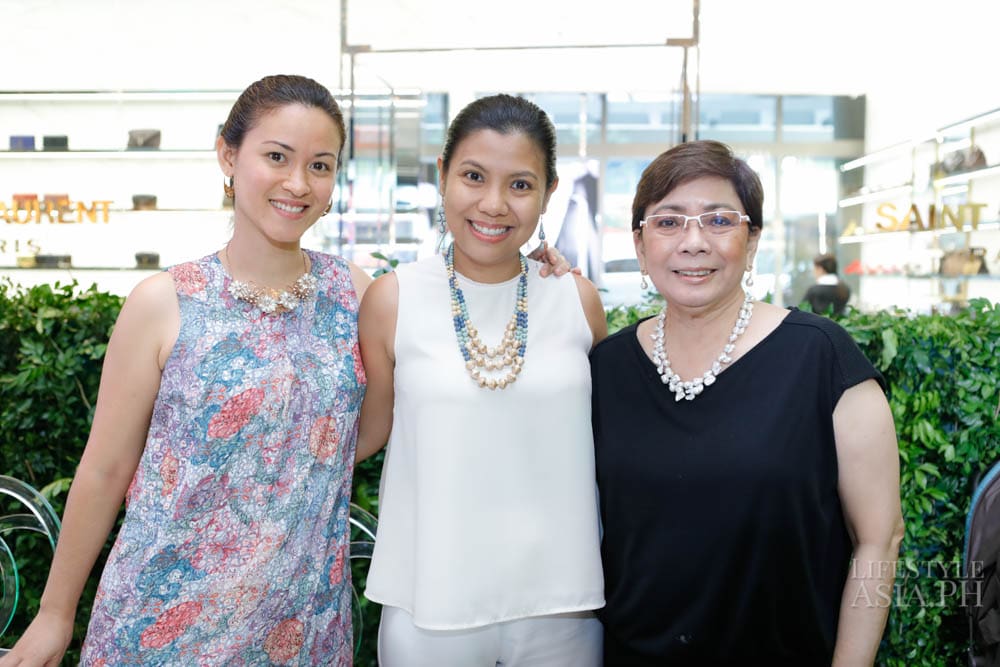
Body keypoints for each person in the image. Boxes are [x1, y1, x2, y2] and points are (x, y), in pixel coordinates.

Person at [0, 74, 371, 666]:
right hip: (159, 627)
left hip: (303, 629)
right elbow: (104, 469)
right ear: (228, 155)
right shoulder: (163, 302)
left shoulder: (354, 295)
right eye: (276, 157)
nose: (298, 183)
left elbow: (365, 430)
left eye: (319, 166)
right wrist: (54, 614)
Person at [590, 140, 904, 666]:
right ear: (640, 245)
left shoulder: (821, 357)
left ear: (752, 240)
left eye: (719, 221)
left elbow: (880, 538)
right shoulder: (607, 367)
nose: (693, 243)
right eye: (668, 222)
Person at [355, 94, 608, 666]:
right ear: (443, 174)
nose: (493, 204)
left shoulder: (576, 299)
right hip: (430, 602)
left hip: (562, 607)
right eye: (473, 176)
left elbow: (615, 441)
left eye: (520, 185)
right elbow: (367, 433)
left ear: (548, 193)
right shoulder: (393, 298)